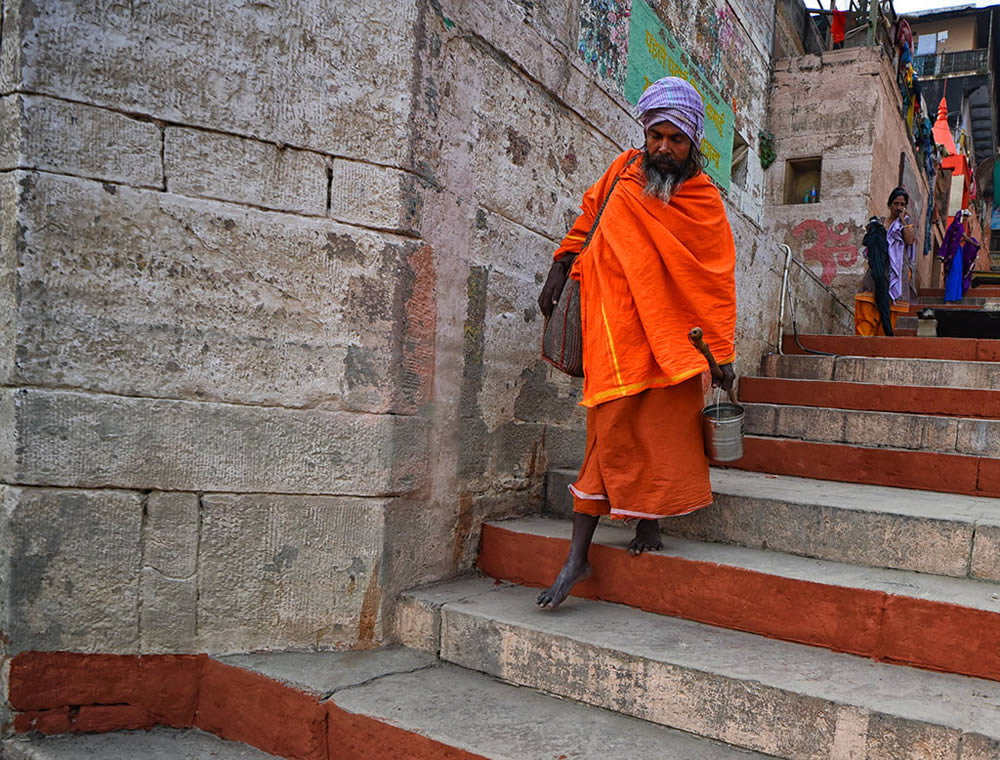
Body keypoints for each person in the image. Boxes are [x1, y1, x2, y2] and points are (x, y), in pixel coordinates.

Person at [535, 76, 737, 609]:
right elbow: (588, 218)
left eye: (675, 139)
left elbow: (715, 282)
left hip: (672, 341)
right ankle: (579, 554)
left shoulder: (706, 203)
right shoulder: (623, 171)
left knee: (661, 435)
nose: (663, 149)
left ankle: (645, 521)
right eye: (656, 137)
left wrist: (721, 357)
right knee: (610, 431)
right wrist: (559, 268)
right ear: (644, 135)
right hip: (615, 327)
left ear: (694, 141)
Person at [939, 210, 979, 302]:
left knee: (958, 272)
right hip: (953, 252)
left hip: (957, 250)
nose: (965, 219)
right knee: (954, 272)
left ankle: (955, 297)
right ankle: (949, 298)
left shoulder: (957, 227)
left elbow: (957, 240)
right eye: (964, 217)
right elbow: (964, 237)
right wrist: (975, 244)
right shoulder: (956, 226)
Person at [886, 186, 917, 304]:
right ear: (890, 205)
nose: (899, 208)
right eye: (896, 203)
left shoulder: (907, 223)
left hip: (899, 266)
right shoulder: (881, 221)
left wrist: (903, 221)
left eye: (902, 204)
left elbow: (909, 240)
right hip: (883, 264)